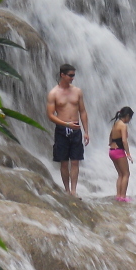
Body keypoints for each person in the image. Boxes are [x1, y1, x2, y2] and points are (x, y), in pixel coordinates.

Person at [46, 64, 89, 197]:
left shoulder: (77, 91)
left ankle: (74, 191)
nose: (72, 78)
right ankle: (66, 189)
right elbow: (50, 115)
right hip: (62, 129)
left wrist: (86, 131)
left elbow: (82, 111)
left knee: (75, 161)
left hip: (76, 129)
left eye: (73, 75)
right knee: (64, 162)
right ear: (62, 75)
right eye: (70, 75)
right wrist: (66, 124)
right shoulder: (53, 93)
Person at [108, 107, 134, 202]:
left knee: (120, 174)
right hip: (119, 151)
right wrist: (128, 153)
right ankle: (123, 197)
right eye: (130, 118)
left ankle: (118, 196)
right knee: (126, 174)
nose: (130, 120)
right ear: (127, 116)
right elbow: (124, 140)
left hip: (112, 151)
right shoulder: (123, 125)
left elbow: (110, 135)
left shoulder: (116, 123)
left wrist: (110, 143)